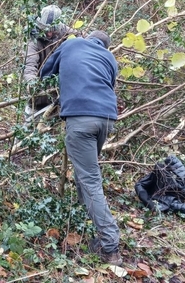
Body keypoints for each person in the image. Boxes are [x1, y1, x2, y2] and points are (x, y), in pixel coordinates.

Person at [40, 30, 122, 266]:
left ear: (88, 37)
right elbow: (109, 84)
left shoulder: (72, 43)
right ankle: (82, 218)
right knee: (85, 173)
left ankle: (110, 245)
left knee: (89, 180)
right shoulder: (109, 58)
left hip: (81, 119)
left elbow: (46, 72)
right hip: (106, 118)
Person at [23, 5, 78, 117]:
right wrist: (32, 83)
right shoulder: (33, 42)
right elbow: (29, 65)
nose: (49, 34)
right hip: (41, 91)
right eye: (46, 30)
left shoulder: (69, 34)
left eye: (52, 31)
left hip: (64, 88)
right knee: (32, 118)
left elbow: (87, 42)